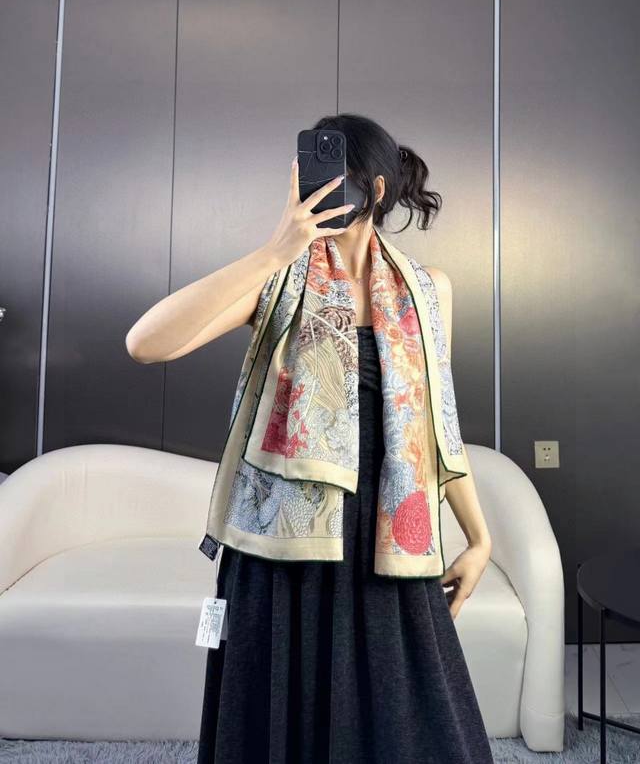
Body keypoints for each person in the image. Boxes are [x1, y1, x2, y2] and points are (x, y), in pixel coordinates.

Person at [126, 113, 494, 763]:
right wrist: (275, 251)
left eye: (336, 180)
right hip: (283, 548)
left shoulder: (427, 291)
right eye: (308, 177)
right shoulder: (275, 283)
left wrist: (479, 536)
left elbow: (436, 427)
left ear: (375, 190)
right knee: (281, 730)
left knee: (407, 734)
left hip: (387, 546)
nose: (317, 193)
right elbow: (145, 342)